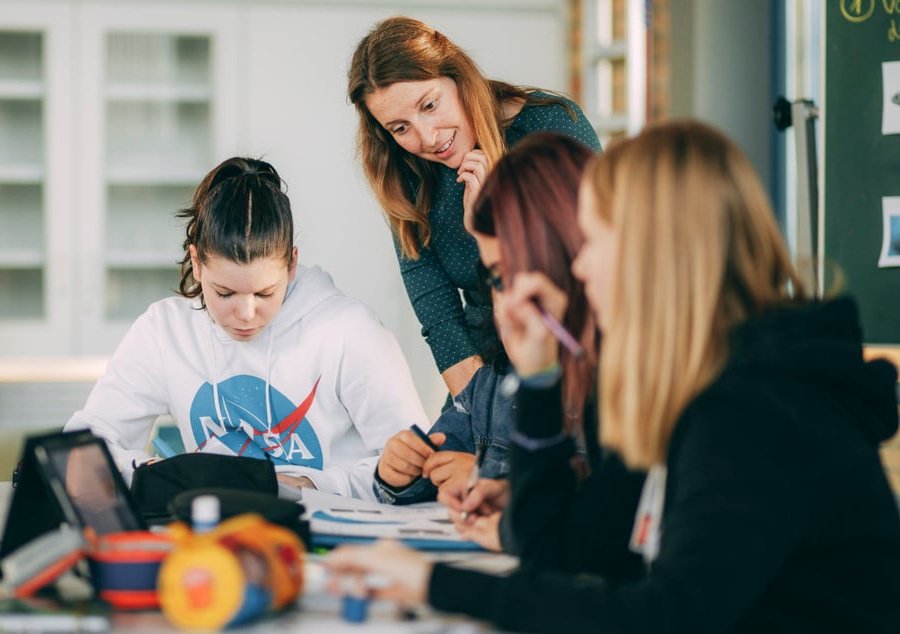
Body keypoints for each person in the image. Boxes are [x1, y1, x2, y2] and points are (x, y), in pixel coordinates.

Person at [324, 121, 900, 632]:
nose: (578, 264)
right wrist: (543, 380)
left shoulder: (754, 405)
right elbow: (572, 548)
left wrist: (433, 584)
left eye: (594, 239)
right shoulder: (682, 386)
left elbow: (664, 615)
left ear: (658, 254)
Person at [65, 156, 429, 500]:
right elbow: (81, 449)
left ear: (291, 265)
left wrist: (308, 484)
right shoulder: (164, 332)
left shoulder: (351, 332)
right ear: (196, 262)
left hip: (333, 543)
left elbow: (418, 468)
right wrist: (160, 474)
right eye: (225, 293)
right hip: (217, 542)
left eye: (264, 292)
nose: (246, 313)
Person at [347, 15, 602, 403]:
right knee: (431, 463)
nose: (427, 138)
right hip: (484, 364)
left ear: (457, 75)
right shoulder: (405, 174)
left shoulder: (549, 126)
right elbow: (440, 319)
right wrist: (482, 419)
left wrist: (495, 230)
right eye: (400, 128)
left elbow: (594, 277)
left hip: (576, 355)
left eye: (430, 104)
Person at [372, 135, 604, 550]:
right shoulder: (494, 386)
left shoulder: (616, 390)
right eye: (496, 280)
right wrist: (396, 473)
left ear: (577, 260)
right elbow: (425, 476)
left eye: (519, 274)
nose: (507, 306)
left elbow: (608, 518)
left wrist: (500, 488)